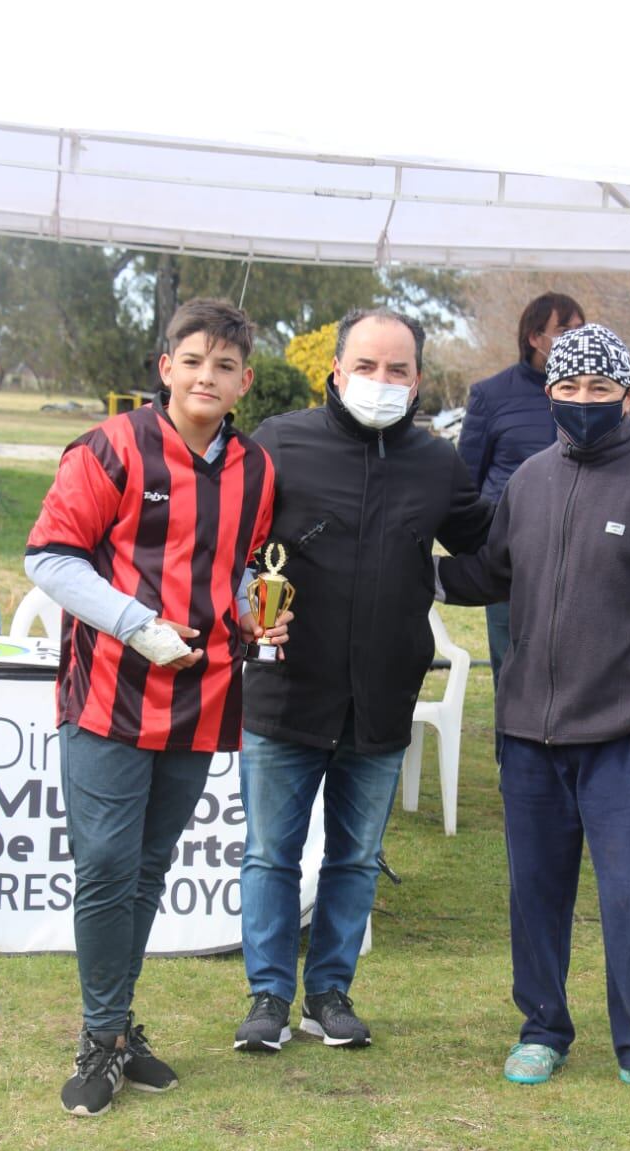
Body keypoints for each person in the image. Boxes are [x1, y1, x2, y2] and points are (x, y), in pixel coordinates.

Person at [437, 323, 630, 1109]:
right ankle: (541, 1029)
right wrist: (403, 569)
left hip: (626, 741)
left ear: (629, 395)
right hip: (529, 738)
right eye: (567, 389)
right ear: (549, 395)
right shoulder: (530, 480)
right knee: (535, 895)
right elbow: (490, 572)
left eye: (599, 389)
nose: (582, 402)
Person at [25, 298, 286, 1116]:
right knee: (104, 865)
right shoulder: (109, 448)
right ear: (164, 367)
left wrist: (260, 607)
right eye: (194, 360)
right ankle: (101, 1036)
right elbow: (49, 559)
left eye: (226, 365)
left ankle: (116, 1027)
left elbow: (240, 571)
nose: (208, 376)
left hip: (200, 696)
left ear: (243, 382)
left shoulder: (256, 468)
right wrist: (136, 624)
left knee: (147, 866)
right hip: (107, 689)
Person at [234, 308, 492, 1053]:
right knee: (269, 855)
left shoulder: (436, 462)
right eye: (368, 367)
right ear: (336, 371)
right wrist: (248, 602)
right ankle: (268, 996)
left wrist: (438, 579)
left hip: (381, 694)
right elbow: (231, 546)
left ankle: (329, 994)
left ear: (417, 380)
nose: (382, 382)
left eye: (399, 370)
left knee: (354, 857)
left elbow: (486, 545)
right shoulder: (279, 442)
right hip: (286, 691)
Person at [457, 292, 584, 750]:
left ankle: (567, 751)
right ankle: (511, 759)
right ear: (535, 337)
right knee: (512, 662)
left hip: (581, 556)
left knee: (573, 662)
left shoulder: (586, 395)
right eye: (565, 331)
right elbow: (466, 482)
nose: (575, 339)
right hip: (511, 560)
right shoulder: (491, 395)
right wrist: (483, 552)